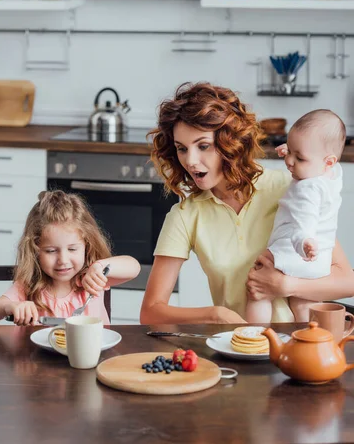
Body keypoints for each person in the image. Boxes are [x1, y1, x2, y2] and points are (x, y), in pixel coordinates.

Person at [140, 82, 354, 325]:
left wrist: (284, 285)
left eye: (203, 146)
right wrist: (215, 314)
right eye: (181, 148)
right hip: (239, 348)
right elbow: (151, 311)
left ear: (230, 142)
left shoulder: (289, 187)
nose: (190, 160)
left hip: (301, 348)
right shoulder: (185, 216)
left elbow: (348, 281)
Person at [0, 190, 141, 327]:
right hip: (38, 366)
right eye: (51, 251)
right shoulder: (29, 286)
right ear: (35, 250)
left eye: (72, 249)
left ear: (86, 245)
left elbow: (134, 267)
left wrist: (100, 266)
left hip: (92, 362)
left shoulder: (91, 279)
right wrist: (8, 307)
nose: (63, 260)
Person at [246, 109, 345, 323]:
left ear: (328, 161)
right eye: (289, 151)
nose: (290, 161)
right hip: (320, 262)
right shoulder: (332, 175)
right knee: (303, 301)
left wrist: (303, 242)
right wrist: (294, 152)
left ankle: (257, 332)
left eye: (298, 157)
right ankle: (306, 338)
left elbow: (304, 220)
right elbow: (311, 155)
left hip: (297, 250)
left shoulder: (307, 189)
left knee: (257, 285)